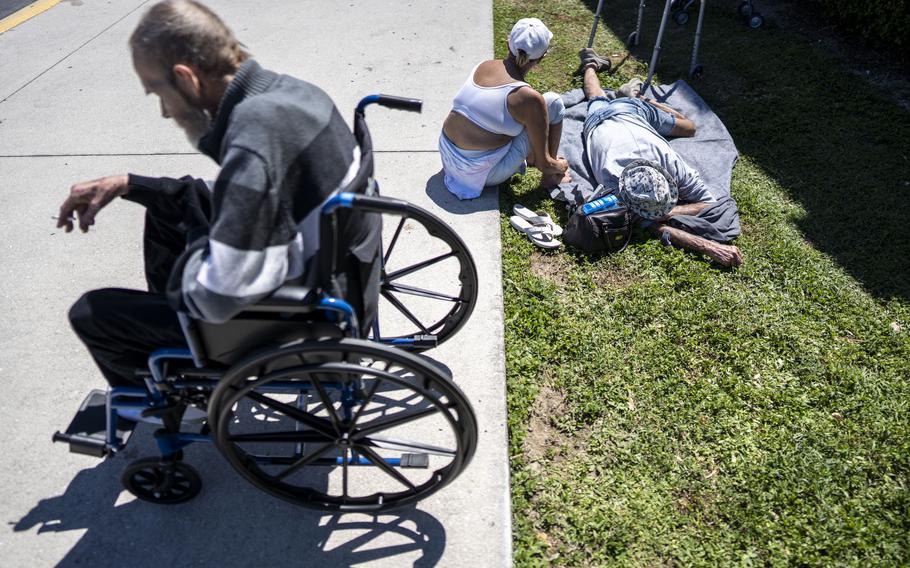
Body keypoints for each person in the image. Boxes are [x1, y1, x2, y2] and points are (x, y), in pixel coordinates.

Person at [58, 0, 380, 390]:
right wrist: (131, 184)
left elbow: (221, 295)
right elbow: (252, 195)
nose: (163, 111)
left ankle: (166, 394)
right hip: (333, 263)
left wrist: (195, 257)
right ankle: (175, 337)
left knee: (93, 313)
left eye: (158, 93)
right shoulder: (291, 92)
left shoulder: (253, 145)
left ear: (187, 78)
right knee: (166, 204)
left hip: (296, 315)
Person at [579, 55, 743, 267]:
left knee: (688, 127)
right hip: (605, 120)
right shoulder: (614, 186)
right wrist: (709, 246)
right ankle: (619, 85)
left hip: (631, 112)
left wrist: (670, 212)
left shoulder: (672, 164)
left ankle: (597, 69)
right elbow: (659, 227)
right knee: (596, 98)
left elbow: (706, 204)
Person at [439, 17, 570, 200]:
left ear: (509, 43)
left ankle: (531, 156)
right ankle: (550, 179)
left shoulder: (483, 66)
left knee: (513, 121)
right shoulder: (529, 99)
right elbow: (544, 163)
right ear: (541, 57)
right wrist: (559, 166)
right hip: (479, 175)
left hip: (447, 156)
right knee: (553, 102)